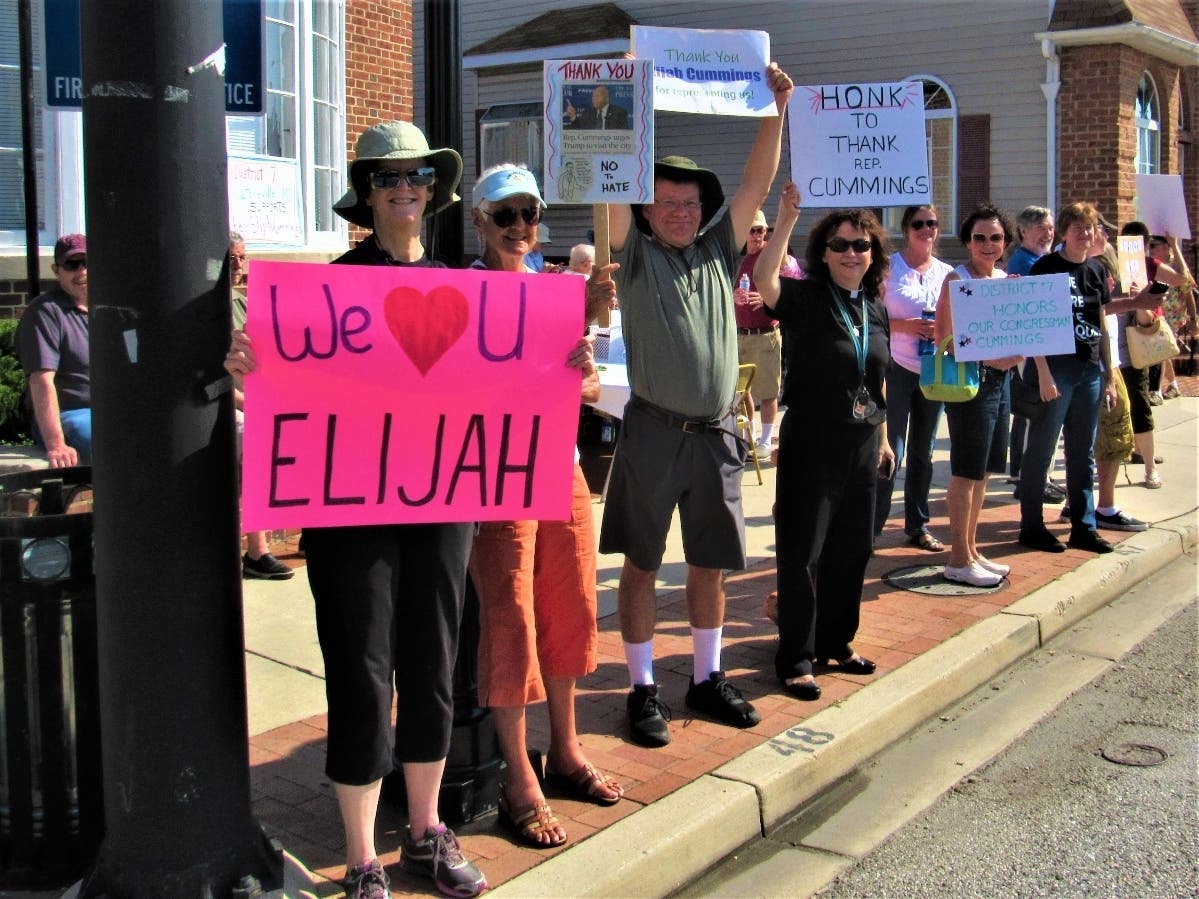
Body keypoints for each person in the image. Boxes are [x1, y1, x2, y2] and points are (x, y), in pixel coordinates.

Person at [225, 121, 487, 899]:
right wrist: (251, 366)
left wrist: (558, 361)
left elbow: (501, 384)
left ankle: (427, 832)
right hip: (350, 511)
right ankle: (362, 856)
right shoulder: (330, 286)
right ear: (366, 196)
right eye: (385, 177)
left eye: (415, 175)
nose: (402, 187)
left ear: (433, 191)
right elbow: (288, 382)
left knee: (434, 665)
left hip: (442, 502)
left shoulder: (470, 288)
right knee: (361, 668)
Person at [594, 61, 794, 747]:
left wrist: (775, 108)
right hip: (652, 431)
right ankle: (642, 688)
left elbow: (756, 183)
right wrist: (613, 100)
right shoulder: (634, 254)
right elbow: (607, 184)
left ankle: (705, 678)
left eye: (688, 203)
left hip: (716, 436)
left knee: (709, 563)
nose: (679, 213)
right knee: (642, 565)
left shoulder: (717, 247)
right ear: (646, 209)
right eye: (665, 203)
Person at [465, 163, 623, 850]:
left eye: (528, 214)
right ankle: (517, 774)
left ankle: (564, 747)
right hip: (495, 472)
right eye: (505, 216)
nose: (520, 227)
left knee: (570, 605)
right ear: (480, 222)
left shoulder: (559, 295)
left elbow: (587, 388)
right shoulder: (460, 293)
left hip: (559, 465)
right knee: (510, 616)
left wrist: (583, 370)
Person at [754, 182, 894, 701]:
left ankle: (837, 641)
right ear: (824, 252)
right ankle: (796, 656)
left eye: (861, 245)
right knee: (803, 552)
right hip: (812, 443)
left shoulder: (874, 307)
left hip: (861, 445)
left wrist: (882, 436)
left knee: (854, 548)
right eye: (840, 245)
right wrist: (786, 216)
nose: (851, 254)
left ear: (874, 253)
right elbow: (765, 279)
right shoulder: (807, 297)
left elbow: (877, 379)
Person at [1018, 202, 1117, 556]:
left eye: (1089, 228)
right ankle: (1031, 526)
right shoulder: (1046, 267)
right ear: (1063, 233)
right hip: (1054, 370)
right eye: (1077, 227)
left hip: (1089, 370)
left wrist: (1109, 374)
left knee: (1082, 453)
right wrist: (1042, 372)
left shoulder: (1095, 270)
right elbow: (1033, 322)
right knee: (1042, 451)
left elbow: (1101, 324)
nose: (1084, 233)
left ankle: (1083, 527)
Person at [933, 206, 1023, 587]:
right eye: (980, 238)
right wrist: (993, 357)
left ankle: (970, 549)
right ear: (968, 242)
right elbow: (944, 340)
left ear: (1005, 242)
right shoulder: (958, 279)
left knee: (985, 470)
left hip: (1000, 383)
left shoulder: (1005, 278)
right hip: (971, 383)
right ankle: (956, 558)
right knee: (966, 470)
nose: (988, 245)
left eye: (996, 238)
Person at [873, 205, 953, 550]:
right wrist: (906, 326)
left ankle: (917, 525)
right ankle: (872, 527)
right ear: (907, 229)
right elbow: (872, 319)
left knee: (925, 451)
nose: (926, 229)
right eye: (918, 224)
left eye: (931, 223)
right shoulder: (889, 269)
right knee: (892, 450)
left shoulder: (948, 273)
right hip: (896, 367)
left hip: (933, 370)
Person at [226, 231, 293, 580]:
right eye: (231, 258)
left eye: (242, 257)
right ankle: (257, 550)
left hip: (251, 401)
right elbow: (210, 378)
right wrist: (253, 405)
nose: (238, 266)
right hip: (227, 405)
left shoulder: (241, 303)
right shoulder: (199, 311)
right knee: (261, 439)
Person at [17, 234, 91, 468]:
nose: (81, 272)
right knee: (115, 443)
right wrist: (57, 444)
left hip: (112, 410)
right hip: (71, 415)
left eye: (87, 263)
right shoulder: (45, 312)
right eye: (72, 265)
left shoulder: (110, 309)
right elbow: (41, 381)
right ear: (56, 270)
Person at [1004, 206, 1062, 500]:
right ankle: (1030, 480)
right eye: (1040, 228)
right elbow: (1029, 317)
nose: (1047, 233)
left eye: (1050, 227)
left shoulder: (1040, 260)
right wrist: (1041, 367)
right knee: (1034, 414)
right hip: (1031, 353)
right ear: (1023, 231)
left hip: (1042, 350)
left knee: (1035, 415)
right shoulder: (1024, 263)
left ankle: (1033, 476)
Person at [735, 208, 799, 462]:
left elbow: (784, 281)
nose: (756, 235)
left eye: (761, 230)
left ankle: (764, 441)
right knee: (741, 391)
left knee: (768, 391)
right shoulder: (738, 259)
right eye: (751, 230)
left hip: (765, 334)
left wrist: (764, 298)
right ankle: (748, 437)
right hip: (740, 333)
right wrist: (733, 296)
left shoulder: (770, 256)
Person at [1145, 233, 1197, 401]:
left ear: (1166, 247)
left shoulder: (1177, 266)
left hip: (1173, 316)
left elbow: (1188, 293)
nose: (1150, 249)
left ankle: (1156, 391)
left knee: (1160, 349)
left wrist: (1194, 319)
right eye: (1149, 245)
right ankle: (1173, 385)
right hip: (1157, 312)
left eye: (1154, 246)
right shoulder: (1153, 266)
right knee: (1163, 350)